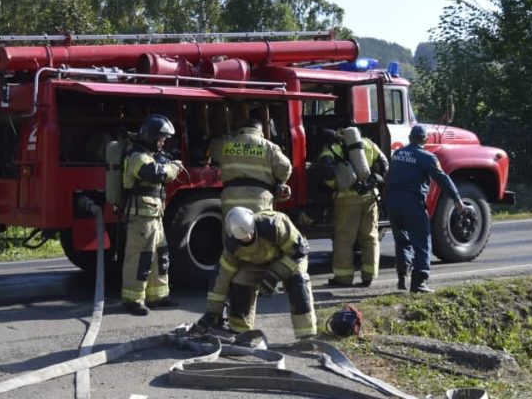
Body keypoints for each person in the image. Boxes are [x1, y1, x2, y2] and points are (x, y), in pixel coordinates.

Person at [194, 206, 317, 339]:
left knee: (297, 282)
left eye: (250, 233)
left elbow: (299, 250)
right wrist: (213, 313)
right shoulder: (232, 246)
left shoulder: (273, 226)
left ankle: (306, 333)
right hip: (257, 262)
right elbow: (222, 277)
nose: (248, 237)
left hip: (289, 257)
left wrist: (274, 274)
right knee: (240, 281)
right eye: (243, 238)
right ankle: (240, 330)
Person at [385, 124, 468, 293]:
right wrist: (457, 200)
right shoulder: (427, 157)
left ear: (409, 138)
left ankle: (402, 278)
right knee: (422, 242)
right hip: (412, 205)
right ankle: (419, 282)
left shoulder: (397, 154)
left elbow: (388, 177)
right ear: (425, 140)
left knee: (402, 241)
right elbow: (443, 179)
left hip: (393, 203)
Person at [120, 114, 184, 316]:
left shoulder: (149, 154)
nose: (163, 143)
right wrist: (173, 168)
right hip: (140, 217)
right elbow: (155, 174)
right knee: (140, 258)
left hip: (154, 215)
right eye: (161, 139)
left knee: (160, 255)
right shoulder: (137, 156)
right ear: (151, 136)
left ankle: (158, 295)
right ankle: (133, 299)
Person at [318, 125, 389, 288]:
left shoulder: (333, 148)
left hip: (346, 200)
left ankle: (343, 278)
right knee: (370, 237)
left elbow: (326, 171)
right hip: (370, 197)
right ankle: (369, 276)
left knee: (344, 239)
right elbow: (384, 165)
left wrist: (336, 185)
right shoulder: (369, 144)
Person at [215, 115, 292, 215]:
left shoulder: (225, 145)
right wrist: (279, 182)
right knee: (259, 229)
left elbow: (212, 151)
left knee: (232, 228)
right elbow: (285, 167)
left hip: (231, 201)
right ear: (261, 132)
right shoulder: (269, 147)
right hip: (259, 201)